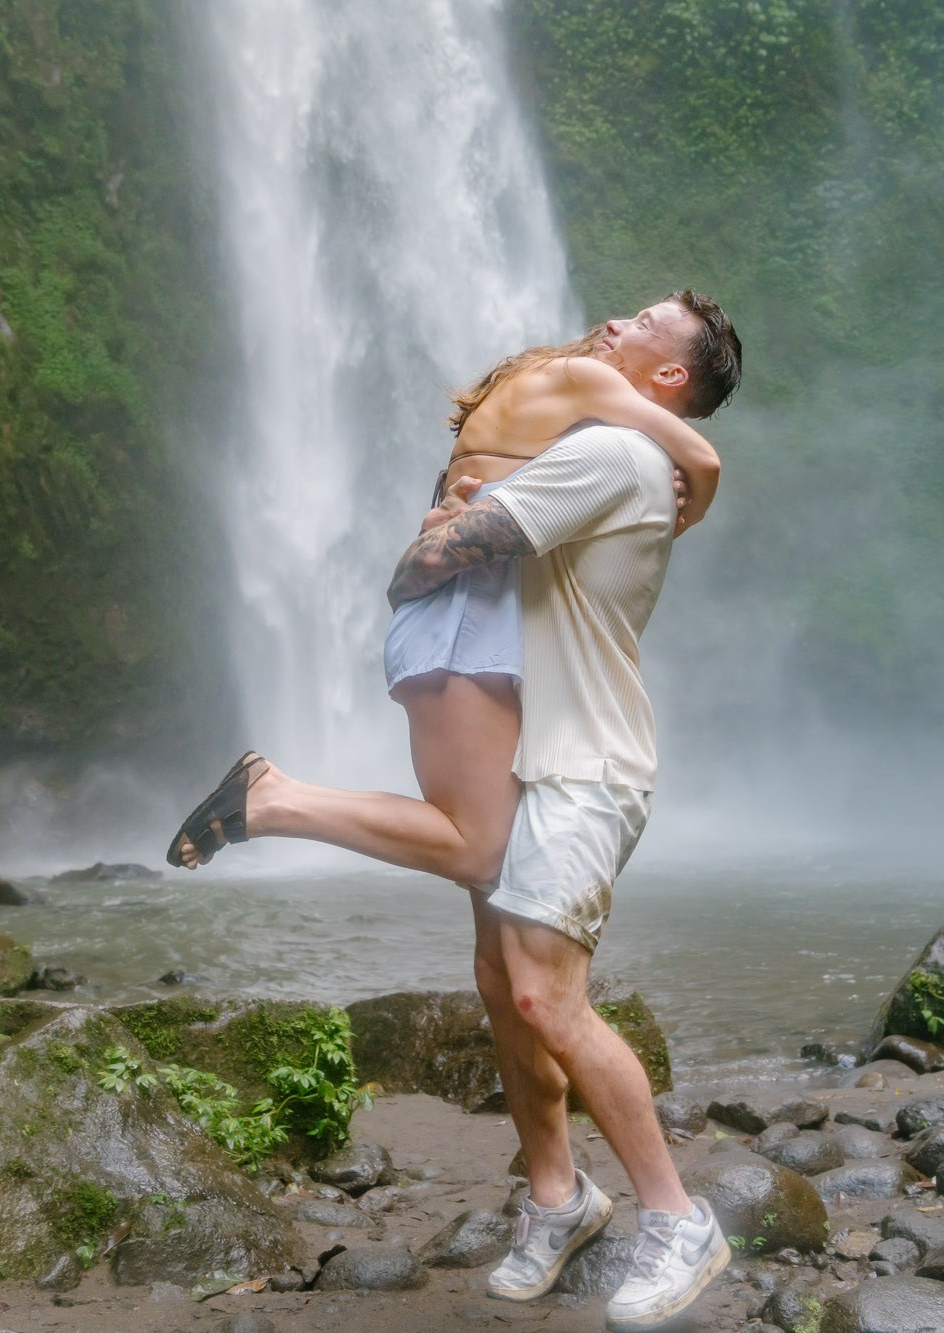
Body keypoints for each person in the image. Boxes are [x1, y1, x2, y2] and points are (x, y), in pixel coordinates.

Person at [170, 290, 743, 1329]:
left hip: (578, 757)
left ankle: (676, 1217)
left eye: (640, 325)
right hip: (531, 717)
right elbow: (633, 491)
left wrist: (454, 521)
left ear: (668, 382)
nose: (611, 322)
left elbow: (432, 561)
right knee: (499, 976)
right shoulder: (598, 438)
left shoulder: (608, 447)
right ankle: (557, 1198)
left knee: (539, 994)